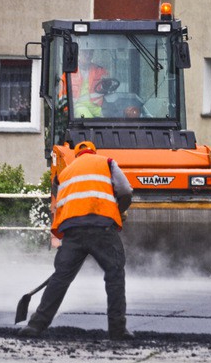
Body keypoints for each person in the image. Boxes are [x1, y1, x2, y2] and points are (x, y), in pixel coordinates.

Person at [19, 141, 134, 340]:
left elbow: (62, 201)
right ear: (93, 151)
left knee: (61, 278)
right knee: (114, 275)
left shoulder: (64, 173)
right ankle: (117, 330)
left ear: (76, 155)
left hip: (73, 231)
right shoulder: (106, 162)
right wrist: (119, 210)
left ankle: (35, 325)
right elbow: (125, 190)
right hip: (102, 228)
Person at [60, 49, 109, 118]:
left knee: (109, 119)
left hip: (96, 106)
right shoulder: (69, 73)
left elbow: (108, 89)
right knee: (88, 120)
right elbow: (63, 95)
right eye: (85, 53)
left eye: (90, 53)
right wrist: (65, 111)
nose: (88, 56)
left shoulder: (100, 70)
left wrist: (107, 84)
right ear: (79, 54)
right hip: (78, 106)